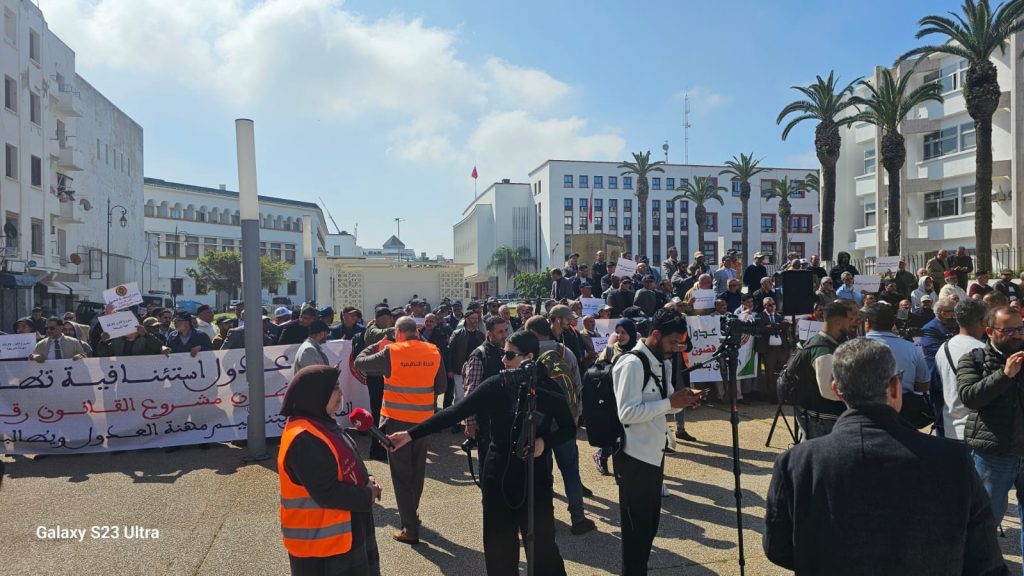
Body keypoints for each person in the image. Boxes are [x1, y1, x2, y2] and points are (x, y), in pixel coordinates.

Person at [764, 338, 1007, 575]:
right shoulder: (952, 460)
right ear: (895, 387)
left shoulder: (798, 462)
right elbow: (984, 558)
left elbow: (777, 547)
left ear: (837, 390)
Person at [387, 330, 574, 576]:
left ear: (529, 357)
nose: (503, 360)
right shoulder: (496, 384)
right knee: (499, 547)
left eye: (510, 355)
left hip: (534, 473)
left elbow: (568, 428)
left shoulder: (548, 387)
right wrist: (411, 435)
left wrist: (544, 441)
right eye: (503, 354)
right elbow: (455, 412)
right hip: (498, 472)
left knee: (543, 546)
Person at [612, 309, 705, 576]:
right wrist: (669, 402)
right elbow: (626, 413)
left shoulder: (662, 361)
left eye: (680, 343)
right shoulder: (632, 363)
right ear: (655, 334)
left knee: (648, 527)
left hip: (655, 454)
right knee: (636, 533)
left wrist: (683, 400)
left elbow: (665, 405)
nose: (676, 348)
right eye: (673, 342)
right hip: (633, 457)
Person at [278, 365, 382, 576]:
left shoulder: (322, 424)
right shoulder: (304, 438)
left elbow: (345, 462)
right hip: (321, 547)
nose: (341, 393)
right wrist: (366, 494)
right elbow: (328, 492)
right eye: (334, 388)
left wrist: (367, 479)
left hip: (343, 535)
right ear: (315, 395)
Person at [355, 317, 446, 545]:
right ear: (416, 331)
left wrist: (376, 345)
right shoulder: (433, 351)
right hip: (424, 423)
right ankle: (411, 514)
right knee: (417, 472)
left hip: (397, 423)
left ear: (398, 332)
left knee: (401, 476)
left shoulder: (391, 351)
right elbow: (442, 386)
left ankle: (410, 528)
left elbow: (359, 363)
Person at [958, 305, 1024, 561]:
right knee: (985, 522)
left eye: (1020, 329)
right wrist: (1004, 375)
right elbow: (969, 397)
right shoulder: (975, 359)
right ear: (990, 331)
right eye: (1008, 330)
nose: (1016, 335)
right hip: (994, 456)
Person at [524, 315, 595, 535]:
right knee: (571, 471)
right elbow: (578, 385)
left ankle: (545, 518)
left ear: (532, 332)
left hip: (539, 423)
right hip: (565, 422)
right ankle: (578, 518)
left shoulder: (528, 355)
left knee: (542, 473)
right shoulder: (565, 352)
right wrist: (575, 416)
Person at [795, 299, 859, 438]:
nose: (856, 322)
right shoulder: (823, 351)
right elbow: (828, 391)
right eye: (850, 319)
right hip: (822, 422)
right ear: (838, 322)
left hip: (826, 418)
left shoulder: (832, 342)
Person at [935, 299, 988, 441]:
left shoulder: (943, 348)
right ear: (982, 321)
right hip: (979, 430)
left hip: (951, 428)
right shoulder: (983, 351)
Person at [462, 314, 509, 449]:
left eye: (506, 330)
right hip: (486, 419)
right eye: (500, 332)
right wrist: (470, 422)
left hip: (504, 415)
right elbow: (471, 391)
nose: (505, 335)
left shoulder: (506, 351)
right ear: (489, 333)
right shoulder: (479, 355)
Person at [446, 308, 484, 410]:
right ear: (466, 319)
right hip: (459, 370)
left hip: (475, 370)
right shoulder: (457, 334)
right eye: (473, 318)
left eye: (477, 318)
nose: (475, 321)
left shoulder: (481, 335)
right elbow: (450, 353)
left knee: (473, 396)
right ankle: (457, 417)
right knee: (460, 397)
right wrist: (450, 369)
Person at [755, 298, 791, 404]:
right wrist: (778, 327)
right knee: (769, 374)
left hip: (781, 349)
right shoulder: (760, 316)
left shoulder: (779, 315)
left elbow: (786, 325)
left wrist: (772, 326)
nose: (772, 306)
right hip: (768, 350)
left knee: (783, 373)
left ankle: (783, 396)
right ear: (764, 306)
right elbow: (762, 328)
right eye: (769, 305)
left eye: (773, 304)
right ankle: (772, 397)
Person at [97, 321, 168, 357]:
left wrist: (146, 335)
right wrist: (103, 342)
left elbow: (158, 347)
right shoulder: (117, 341)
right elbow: (103, 353)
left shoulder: (146, 340)